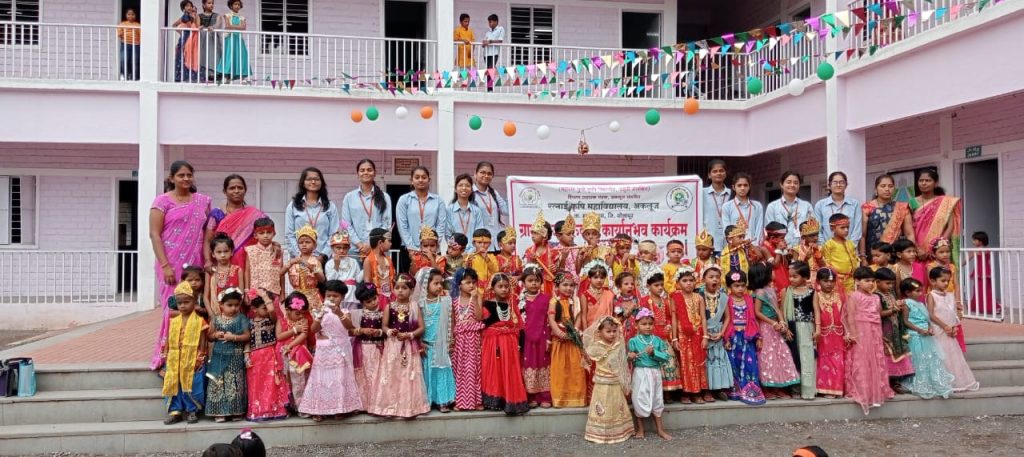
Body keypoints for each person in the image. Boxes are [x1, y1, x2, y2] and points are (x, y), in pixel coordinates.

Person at [150, 160, 212, 370]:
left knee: (194, 306)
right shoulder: (162, 202)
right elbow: (154, 235)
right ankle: (168, 357)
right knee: (174, 307)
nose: (186, 179)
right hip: (170, 263)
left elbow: (207, 233)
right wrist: (165, 265)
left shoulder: (203, 201)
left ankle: (194, 355)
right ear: (172, 178)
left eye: (189, 175)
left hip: (195, 263)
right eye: (181, 175)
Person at [368, 273, 431, 418]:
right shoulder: (389, 306)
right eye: (397, 287)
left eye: (404, 288)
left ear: (411, 290)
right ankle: (389, 408)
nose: (400, 290)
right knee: (392, 374)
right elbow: (384, 326)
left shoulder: (414, 307)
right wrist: (390, 331)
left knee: (408, 374)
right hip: (393, 345)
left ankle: (407, 408)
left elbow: (422, 328)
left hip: (409, 346)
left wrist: (410, 335)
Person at [299, 281, 362, 420]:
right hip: (323, 350)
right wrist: (319, 316)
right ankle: (319, 409)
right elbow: (313, 330)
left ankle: (340, 408)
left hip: (340, 349)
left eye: (336, 296)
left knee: (340, 377)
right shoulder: (320, 311)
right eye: (329, 296)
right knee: (321, 378)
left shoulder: (345, 312)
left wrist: (339, 313)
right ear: (324, 296)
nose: (332, 299)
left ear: (343, 297)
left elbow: (349, 327)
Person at [844, 267, 895, 414]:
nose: (871, 284)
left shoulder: (876, 297)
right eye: (867, 281)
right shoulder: (854, 296)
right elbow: (850, 316)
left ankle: (876, 390)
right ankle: (862, 390)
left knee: (875, 359)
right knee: (862, 360)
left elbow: (878, 316)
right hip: (861, 332)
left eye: (872, 281)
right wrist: (853, 334)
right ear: (857, 281)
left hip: (874, 332)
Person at [480, 274, 529, 415]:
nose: (504, 289)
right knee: (495, 369)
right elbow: (483, 324)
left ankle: (510, 399)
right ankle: (495, 399)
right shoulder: (487, 304)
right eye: (500, 286)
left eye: (506, 286)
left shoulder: (512, 303)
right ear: (493, 288)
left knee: (510, 369)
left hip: (510, 342)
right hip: (493, 342)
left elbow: (519, 324)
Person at [161, 281, 209, 425]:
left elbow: (203, 342)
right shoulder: (174, 321)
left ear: (194, 301)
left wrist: (200, 357)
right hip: (174, 358)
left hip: (192, 358)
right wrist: (166, 355)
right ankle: (175, 411)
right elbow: (169, 339)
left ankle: (192, 410)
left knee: (192, 384)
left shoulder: (200, 321)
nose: (182, 305)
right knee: (174, 383)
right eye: (180, 303)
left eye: (186, 302)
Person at [749, 263, 799, 399]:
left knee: (780, 355)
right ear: (763, 274)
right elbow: (757, 312)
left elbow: (777, 308)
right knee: (767, 356)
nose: (774, 273)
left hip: (775, 327)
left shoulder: (770, 290)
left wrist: (782, 322)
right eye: (771, 271)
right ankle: (768, 387)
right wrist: (773, 322)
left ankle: (779, 386)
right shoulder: (760, 292)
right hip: (765, 328)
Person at [927, 267, 980, 392]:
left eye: (948, 281)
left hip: (950, 331)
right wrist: (944, 326)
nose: (946, 283)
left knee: (953, 357)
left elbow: (953, 314)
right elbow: (931, 314)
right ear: (933, 281)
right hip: (939, 330)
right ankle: (942, 382)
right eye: (943, 280)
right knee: (942, 356)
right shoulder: (931, 295)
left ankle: (957, 382)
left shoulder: (950, 296)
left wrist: (954, 327)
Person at [901, 278, 955, 399]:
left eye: (921, 290)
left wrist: (930, 327)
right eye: (917, 291)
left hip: (926, 335)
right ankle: (921, 384)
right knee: (919, 360)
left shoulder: (921, 304)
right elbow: (906, 321)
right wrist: (919, 330)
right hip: (915, 336)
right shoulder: (906, 303)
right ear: (907, 292)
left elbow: (927, 319)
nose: (920, 293)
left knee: (930, 358)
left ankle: (933, 382)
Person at [583, 317, 634, 444]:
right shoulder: (596, 346)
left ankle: (619, 432)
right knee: (602, 406)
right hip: (602, 384)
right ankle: (599, 433)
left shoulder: (618, 344)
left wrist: (629, 357)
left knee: (617, 406)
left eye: (614, 331)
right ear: (599, 332)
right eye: (608, 331)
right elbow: (587, 359)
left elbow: (621, 362)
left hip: (615, 382)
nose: (612, 334)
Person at [244, 289, 289, 422]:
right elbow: (247, 341)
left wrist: (264, 295)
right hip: (255, 356)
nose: (267, 309)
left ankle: (273, 410)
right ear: (254, 309)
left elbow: (271, 309)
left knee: (271, 383)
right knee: (256, 384)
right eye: (263, 308)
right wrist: (246, 356)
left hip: (270, 354)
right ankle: (257, 411)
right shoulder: (249, 323)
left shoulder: (271, 319)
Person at [206, 289, 250, 422]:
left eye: (236, 305)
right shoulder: (216, 319)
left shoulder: (242, 318)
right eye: (229, 305)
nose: (233, 308)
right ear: (221, 305)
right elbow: (209, 336)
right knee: (218, 382)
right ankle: (219, 411)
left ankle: (236, 411)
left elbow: (247, 336)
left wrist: (234, 337)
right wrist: (215, 335)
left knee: (234, 382)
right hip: (218, 356)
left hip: (235, 356)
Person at [416, 268, 456, 412]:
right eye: (436, 283)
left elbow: (451, 321)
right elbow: (416, 325)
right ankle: (429, 399)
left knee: (441, 370)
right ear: (426, 284)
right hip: (426, 344)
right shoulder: (420, 304)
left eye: (441, 283)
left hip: (441, 344)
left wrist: (450, 340)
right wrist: (419, 343)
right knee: (427, 372)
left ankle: (442, 400)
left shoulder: (445, 301)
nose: (439, 286)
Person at [629, 308, 672, 440]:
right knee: (639, 398)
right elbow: (629, 359)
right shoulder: (633, 341)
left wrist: (654, 353)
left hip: (655, 373)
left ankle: (660, 429)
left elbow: (666, 357)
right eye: (644, 324)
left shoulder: (657, 340)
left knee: (657, 398)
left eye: (650, 324)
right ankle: (640, 429)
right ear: (636, 325)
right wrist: (630, 356)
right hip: (640, 373)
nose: (647, 327)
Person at [723, 270, 765, 405]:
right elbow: (726, 320)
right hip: (734, 337)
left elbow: (753, 318)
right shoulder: (727, 299)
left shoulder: (749, 299)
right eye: (736, 286)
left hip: (748, 337)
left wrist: (759, 337)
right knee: (734, 363)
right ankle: (736, 390)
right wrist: (726, 338)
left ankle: (751, 391)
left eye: (742, 285)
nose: (740, 289)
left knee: (750, 363)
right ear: (729, 286)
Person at [205, 175, 265, 270]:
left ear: (245, 190)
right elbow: (208, 240)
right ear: (225, 191)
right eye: (232, 188)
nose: (236, 191)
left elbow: (266, 234)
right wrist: (208, 260)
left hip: (248, 264)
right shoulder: (217, 214)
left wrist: (274, 245)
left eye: (240, 188)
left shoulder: (255, 215)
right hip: (222, 264)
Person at [670, 266, 709, 404]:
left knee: (697, 363)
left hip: (697, 334)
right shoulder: (675, 297)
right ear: (678, 283)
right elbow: (674, 318)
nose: (688, 283)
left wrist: (705, 336)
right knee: (685, 363)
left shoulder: (699, 298)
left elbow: (703, 318)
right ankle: (685, 393)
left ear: (695, 282)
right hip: (682, 335)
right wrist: (674, 338)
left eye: (691, 280)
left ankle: (697, 392)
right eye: (685, 280)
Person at [639, 271, 682, 394]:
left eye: (661, 285)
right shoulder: (644, 301)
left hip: (664, 337)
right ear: (648, 286)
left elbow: (669, 317)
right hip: (650, 337)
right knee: (653, 362)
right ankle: (656, 391)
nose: (660, 288)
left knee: (668, 360)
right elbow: (642, 319)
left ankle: (667, 391)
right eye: (656, 285)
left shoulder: (666, 301)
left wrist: (668, 325)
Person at [548, 271, 587, 408]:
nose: (568, 288)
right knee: (560, 369)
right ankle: (560, 398)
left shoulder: (575, 301)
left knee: (576, 368)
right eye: (565, 285)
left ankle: (577, 398)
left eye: (571, 285)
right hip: (560, 340)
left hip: (572, 339)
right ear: (557, 286)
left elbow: (578, 317)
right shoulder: (554, 301)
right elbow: (551, 320)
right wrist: (559, 333)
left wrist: (574, 331)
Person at [341, 159, 393, 257]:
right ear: (358, 174)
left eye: (369, 170)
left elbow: (386, 224)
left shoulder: (385, 197)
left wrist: (371, 244)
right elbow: (345, 224)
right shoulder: (349, 197)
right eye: (362, 170)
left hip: (377, 249)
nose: (366, 172)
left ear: (374, 173)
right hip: (355, 250)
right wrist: (359, 244)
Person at [875, 268, 914, 392]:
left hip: (895, 328)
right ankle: (888, 382)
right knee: (888, 353)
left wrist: (899, 307)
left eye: (892, 283)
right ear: (877, 282)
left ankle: (896, 381)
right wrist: (893, 309)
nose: (890, 286)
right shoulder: (876, 296)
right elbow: (879, 313)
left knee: (897, 353)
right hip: (885, 330)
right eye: (887, 283)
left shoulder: (891, 294)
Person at [285, 167, 338, 259]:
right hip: (299, 259)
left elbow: (334, 235)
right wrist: (301, 256)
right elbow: (289, 235)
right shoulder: (293, 206)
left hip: (324, 259)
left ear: (321, 182)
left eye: (316, 179)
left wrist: (323, 256)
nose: (313, 182)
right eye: (309, 179)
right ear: (303, 182)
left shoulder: (330, 206)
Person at [451, 268, 485, 410]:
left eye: (473, 282)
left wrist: (475, 299)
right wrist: (452, 340)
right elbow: (453, 322)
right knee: (459, 369)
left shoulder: (477, 297)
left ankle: (475, 401)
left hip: (473, 339)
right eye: (468, 282)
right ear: (459, 284)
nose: (471, 285)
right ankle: (460, 401)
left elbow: (479, 317)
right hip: (460, 340)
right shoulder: (454, 301)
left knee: (473, 369)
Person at [519, 265, 552, 408]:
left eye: (537, 280)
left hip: (543, 337)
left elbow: (549, 321)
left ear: (541, 282)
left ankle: (545, 397)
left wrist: (549, 339)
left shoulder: (546, 299)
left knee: (543, 364)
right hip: (526, 340)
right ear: (524, 282)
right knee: (528, 365)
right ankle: (531, 397)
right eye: (530, 280)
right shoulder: (519, 300)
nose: (534, 283)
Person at [783, 261, 816, 400]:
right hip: (792, 328)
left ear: (804, 277)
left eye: (795, 276)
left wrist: (817, 329)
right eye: (790, 276)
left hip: (807, 327)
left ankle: (808, 389)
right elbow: (782, 311)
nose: (791, 279)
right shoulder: (787, 291)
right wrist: (785, 329)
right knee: (793, 356)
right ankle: (795, 387)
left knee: (807, 356)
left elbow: (816, 311)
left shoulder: (811, 292)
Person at [350, 282, 387, 409]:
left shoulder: (383, 313)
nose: (373, 303)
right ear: (362, 303)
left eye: (374, 299)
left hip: (379, 349)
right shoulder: (357, 314)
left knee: (378, 374)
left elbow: (387, 331)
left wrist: (379, 332)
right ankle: (364, 404)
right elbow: (350, 331)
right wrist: (362, 330)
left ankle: (377, 403)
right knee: (364, 375)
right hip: (363, 349)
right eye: (368, 301)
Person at [911, 169, 961, 263]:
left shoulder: (945, 202)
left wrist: (938, 246)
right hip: (917, 249)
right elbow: (909, 229)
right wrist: (917, 249)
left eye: (928, 180)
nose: (924, 183)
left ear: (936, 183)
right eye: (921, 180)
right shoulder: (912, 202)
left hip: (939, 250)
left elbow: (950, 226)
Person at [860, 174, 915, 256]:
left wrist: (911, 253)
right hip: (873, 255)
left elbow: (909, 234)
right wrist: (863, 256)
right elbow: (862, 235)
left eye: (890, 186)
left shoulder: (902, 208)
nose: (887, 189)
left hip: (895, 254)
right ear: (876, 189)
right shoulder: (867, 207)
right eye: (883, 186)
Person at [396, 167, 449, 253]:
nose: (420, 180)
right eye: (417, 177)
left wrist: (432, 245)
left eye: (424, 177)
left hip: (432, 250)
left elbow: (441, 225)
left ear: (429, 180)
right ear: (412, 180)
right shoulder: (404, 200)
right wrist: (412, 248)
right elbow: (402, 226)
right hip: (409, 250)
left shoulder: (438, 201)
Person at [700, 266, 733, 401]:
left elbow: (727, 317)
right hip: (704, 333)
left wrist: (722, 333)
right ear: (703, 279)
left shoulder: (723, 296)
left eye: (717, 277)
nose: (715, 279)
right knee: (706, 361)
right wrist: (705, 333)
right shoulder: (699, 295)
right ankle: (706, 390)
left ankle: (718, 388)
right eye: (711, 277)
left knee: (718, 360)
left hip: (718, 333)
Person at [277, 292, 314, 411]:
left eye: (303, 313)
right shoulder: (281, 320)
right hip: (284, 354)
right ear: (287, 310)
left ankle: (302, 407)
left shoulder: (304, 320)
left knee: (300, 379)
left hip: (298, 354)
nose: (300, 316)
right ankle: (291, 406)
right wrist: (294, 330)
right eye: (297, 313)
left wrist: (290, 346)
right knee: (286, 380)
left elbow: (304, 335)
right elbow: (279, 336)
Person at [929, 237, 966, 352]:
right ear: (934, 254)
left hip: (950, 298)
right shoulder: (931, 266)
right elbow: (931, 283)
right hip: (938, 298)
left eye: (947, 251)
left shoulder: (952, 267)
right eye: (941, 252)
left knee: (954, 321)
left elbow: (956, 284)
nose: (945, 254)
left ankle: (955, 350)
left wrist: (958, 301)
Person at [813, 268, 845, 398]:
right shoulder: (816, 295)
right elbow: (816, 313)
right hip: (823, 334)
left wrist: (848, 332)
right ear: (818, 281)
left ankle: (837, 388)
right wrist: (817, 330)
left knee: (838, 360)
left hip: (838, 334)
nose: (829, 284)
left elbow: (845, 316)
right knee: (824, 360)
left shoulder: (840, 296)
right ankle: (825, 389)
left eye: (832, 281)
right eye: (825, 281)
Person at [765, 171, 814, 247]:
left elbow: (812, 230)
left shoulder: (807, 206)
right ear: (781, 184)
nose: (792, 185)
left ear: (799, 185)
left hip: (802, 250)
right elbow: (769, 232)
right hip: (780, 250)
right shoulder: (772, 207)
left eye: (796, 183)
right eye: (789, 182)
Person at [284, 225, 325, 312]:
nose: (304, 244)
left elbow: (322, 279)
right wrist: (290, 263)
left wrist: (312, 269)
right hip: (296, 297)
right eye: (301, 242)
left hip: (313, 297)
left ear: (314, 245)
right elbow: (280, 273)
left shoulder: (316, 262)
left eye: (308, 242)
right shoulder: (293, 261)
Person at [814, 171, 863, 246]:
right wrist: (825, 247)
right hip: (827, 249)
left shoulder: (854, 204)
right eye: (835, 182)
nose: (838, 185)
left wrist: (850, 246)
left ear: (846, 185)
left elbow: (857, 229)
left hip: (849, 249)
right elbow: (817, 229)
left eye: (842, 182)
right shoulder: (820, 205)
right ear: (829, 185)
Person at [244, 218, 284, 304]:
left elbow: (281, 273)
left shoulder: (278, 251)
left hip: (274, 292)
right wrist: (246, 292)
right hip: (255, 293)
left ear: (274, 233)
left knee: (274, 312)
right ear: (255, 235)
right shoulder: (250, 251)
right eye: (261, 233)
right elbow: (247, 272)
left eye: (269, 232)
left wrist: (282, 293)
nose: (265, 236)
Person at [473, 162, 510, 252]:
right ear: (475, 174)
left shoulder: (494, 193)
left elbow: (506, 210)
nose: (486, 176)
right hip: (480, 244)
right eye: (482, 172)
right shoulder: (470, 193)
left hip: (495, 244)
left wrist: (512, 191)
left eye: (489, 174)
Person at [722, 172, 764, 245]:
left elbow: (759, 229)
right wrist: (735, 245)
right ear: (733, 187)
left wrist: (755, 245)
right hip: (735, 246)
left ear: (749, 187)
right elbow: (727, 230)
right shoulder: (727, 206)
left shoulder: (757, 206)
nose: (742, 188)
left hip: (753, 246)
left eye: (745, 185)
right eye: (739, 185)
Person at [822, 213, 860, 293]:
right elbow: (827, 263)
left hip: (851, 280)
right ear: (832, 228)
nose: (846, 230)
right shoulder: (829, 245)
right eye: (842, 228)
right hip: (837, 280)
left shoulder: (850, 243)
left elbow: (855, 259)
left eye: (847, 227)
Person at [447, 174, 485, 251]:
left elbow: (479, 233)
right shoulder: (449, 210)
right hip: (455, 252)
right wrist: (457, 248)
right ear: (455, 189)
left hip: (474, 252)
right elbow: (448, 234)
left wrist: (472, 250)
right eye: (460, 185)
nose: (464, 188)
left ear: (471, 190)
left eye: (467, 186)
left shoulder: (477, 211)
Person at [325, 231, 362, 309]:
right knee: (336, 314)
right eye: (338, 248)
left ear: (349, 248)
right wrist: (336, 265)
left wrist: (365, 266)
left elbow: (358, 279)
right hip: (337, 295)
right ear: (332, 248)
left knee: (351, 314)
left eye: (344, 248)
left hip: (351, 295)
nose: (342, 250)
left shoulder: (353, 261)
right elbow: (330, 280)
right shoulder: (329, 263)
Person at [207, 234, 241, 316]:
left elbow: (241, 294)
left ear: (231, 252)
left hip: (234, 313)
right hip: (215, 314)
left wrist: (233, 310)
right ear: (213, 254)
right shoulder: (210, 272)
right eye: (219, 252)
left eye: (226, 251)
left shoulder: (238, 270)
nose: (223, 255)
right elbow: (205, 297)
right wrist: (211, 315)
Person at [702, 159, 732, 253]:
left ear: (725, 174)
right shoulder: (702, 193)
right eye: (715, 171)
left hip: (729, 242)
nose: (718, 173)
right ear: (709, 175)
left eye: (721, 171)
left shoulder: (732, 193)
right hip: (708, 242)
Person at [216, 0, 251, 80]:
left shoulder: (242, 17)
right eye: (235, 4)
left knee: (240, 56)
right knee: (229, 56)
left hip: (238, 39)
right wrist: (238, 27)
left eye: (239, 4)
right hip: (230, 38)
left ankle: (241, 76)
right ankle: (226, 75)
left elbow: (243, 28)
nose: (237, 6)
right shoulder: (227, 15)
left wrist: (233, 27)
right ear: (231, 6)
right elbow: (227, 26)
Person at [524, 212, 556, 295]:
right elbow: (525, 271)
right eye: (532, 233)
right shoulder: (529, 251)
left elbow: (559, 271)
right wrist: (531, 261)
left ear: (545, 236)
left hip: (549, 286)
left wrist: (555, 269)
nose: (533, 236)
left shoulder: (554, 251)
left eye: (536, 233)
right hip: (533, 285)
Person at [968, 231, 999, 316]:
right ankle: (981, 306)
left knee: (984, 289)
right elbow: (968, 259)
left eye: (975, 240)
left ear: (980, 241)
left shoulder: (981, 250)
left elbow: (968, 259)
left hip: (983, 271)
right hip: (982, 271)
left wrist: (962, 264)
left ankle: (989, 307)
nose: (973, 242)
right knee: (981, 289)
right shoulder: (982, 250)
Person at [363, 228, 395, 301]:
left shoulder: (388, 260)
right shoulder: (368, 260)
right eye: (389, 241)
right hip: (376, 299)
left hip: (390, 297)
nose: (391, 244)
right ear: (380, 242)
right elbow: (367, 283)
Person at [580, 261, 614, 329]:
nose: (599, 280)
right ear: (589, 279)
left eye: (602, 278)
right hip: (591, 328)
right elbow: (583, 316)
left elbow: (611, 314)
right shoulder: (585, 295)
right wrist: (586, 332)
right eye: (595, 277)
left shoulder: (609, 293)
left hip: (606, 329)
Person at [791, 218, 825, 285]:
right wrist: (806, 258)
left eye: (817, 235)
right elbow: (795, 269)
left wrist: (817, 253)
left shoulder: (820, 248)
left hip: (818, 279)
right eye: (812, 236)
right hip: (804, 279)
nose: (816, 238)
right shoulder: (797, 249)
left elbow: (823, 266)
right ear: (803, 237)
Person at [172, 1, 199, 82]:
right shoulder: (186, 16)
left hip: (189, 38)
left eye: (190, 6)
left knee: (187, 56)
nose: (189, 7)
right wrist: (181, 32)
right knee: (185, 56)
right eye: (187, 6)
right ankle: (183, 77)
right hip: (186, 39)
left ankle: (186, 77)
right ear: (183, 8)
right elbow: (189, 27)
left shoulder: (189, 16)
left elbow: (174, 25)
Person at [196, 0, 222, 82]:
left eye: (212, 3)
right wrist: (199, 27)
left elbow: (218, 25)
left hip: (213, 38)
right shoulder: (199, 16)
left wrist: (213, 27)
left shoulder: (217, 16)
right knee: (203, 55)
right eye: (209, 3)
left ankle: (214, 75)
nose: (211, 5)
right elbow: (197, 26)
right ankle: (204, 75)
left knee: (215, 55)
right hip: (203, 39)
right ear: (204, 5)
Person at [553, 215, 580, 282]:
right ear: (558, 236)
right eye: (568, 234)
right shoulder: (554, 251)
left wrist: (581, 257)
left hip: (576, 284)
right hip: (563, 284)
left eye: (573, 233)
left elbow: (579, 271)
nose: (572, 236)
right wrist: (563, 258)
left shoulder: (577, 249)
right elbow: (557, 275)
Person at [116, 8, 141, 81]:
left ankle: (134, 77)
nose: (131, 16)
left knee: (135, 61)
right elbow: (119, 33)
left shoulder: (138, 25)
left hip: (136, 45)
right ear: (126, 15)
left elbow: (141, 35)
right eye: (129, 14)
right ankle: (125, 76)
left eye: (132, 14)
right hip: (125, 44)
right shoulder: (123, 24)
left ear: (135, 15)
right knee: (124, 60)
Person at [482, 14, 504, 92]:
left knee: (491, 70)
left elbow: (500, 41)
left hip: (494, 53)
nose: (489, 24)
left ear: (496, 22)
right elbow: (484, 44)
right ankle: (489, 88)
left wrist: (490, 41)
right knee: (489, 70)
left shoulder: (500, 29)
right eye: (489, 22)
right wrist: (484, 43)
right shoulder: (488, 33)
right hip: (486, 54)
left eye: (491, 22)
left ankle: (490, 89)